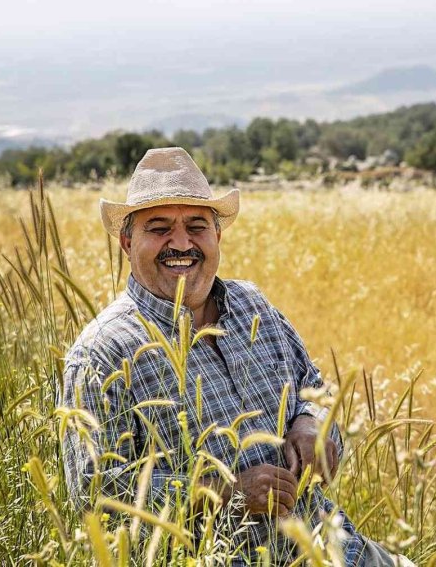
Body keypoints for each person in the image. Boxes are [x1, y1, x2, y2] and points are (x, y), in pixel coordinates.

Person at [60, 147, 409, 566]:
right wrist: (225, 493)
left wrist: (311, 424)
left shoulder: (252, 306)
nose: (181, 243)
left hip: (333, 548)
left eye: (196, 226)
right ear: (126, 242)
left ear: (217, 236)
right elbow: (94, 491)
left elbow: (313, 388)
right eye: (159, 228)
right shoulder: (104, 352)